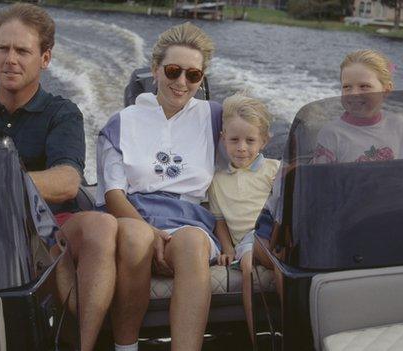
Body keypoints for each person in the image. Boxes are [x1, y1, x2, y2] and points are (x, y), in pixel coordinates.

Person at [0, 4, 151, 351]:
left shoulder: (61, 113)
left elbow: (68, 181)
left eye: (23, 50)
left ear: (45, 58)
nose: (11, 59)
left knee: (101, 226)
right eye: (3, 48)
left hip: (51, 224)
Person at [96, 22, 221, 351]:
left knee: (194, 243)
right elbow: (112, 194)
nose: (181, 82)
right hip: (134, 214)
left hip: (188, 219)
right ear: (155, 70)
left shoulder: (214, 117)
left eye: (193, 75)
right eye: (173, 71)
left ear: (201, 79)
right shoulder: (122, 122)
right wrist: (150, 232)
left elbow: (251, 145)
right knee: (136, 240)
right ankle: (126, 348)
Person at [207, 93, 280, 344]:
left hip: (274, 234)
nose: (241, 147)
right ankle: (258, 337)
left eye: (250, 140)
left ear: (264, 140)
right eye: (234, 140)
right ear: (222, 139)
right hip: (247, 243)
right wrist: (226, 248)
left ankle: (291, 323)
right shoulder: (217, 180)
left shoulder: (273, 170)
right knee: (248, 264)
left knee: (283, 265)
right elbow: (220, 221)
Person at [313, 49, 403, 164]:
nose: (354, 93)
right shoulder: (331, 134)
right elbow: (320, 179)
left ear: (386, 89)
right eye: (347, 87)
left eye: (364, 86)